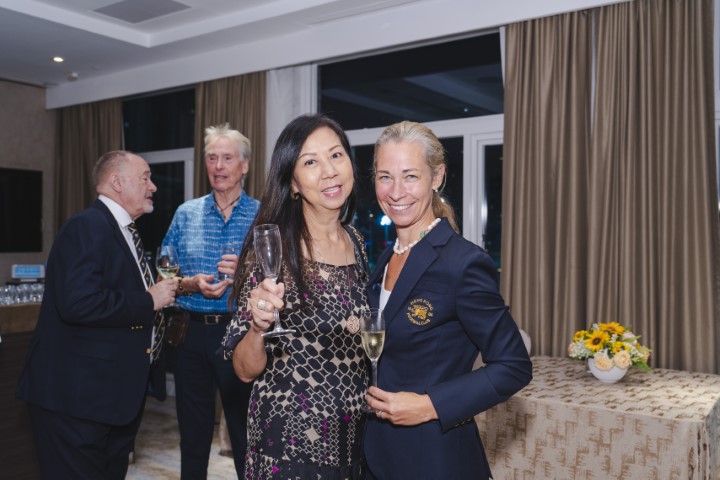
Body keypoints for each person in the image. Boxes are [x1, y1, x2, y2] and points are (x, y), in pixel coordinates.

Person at [364, 121, 533, 480]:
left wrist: (430, 405)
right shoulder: (386, 258)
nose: (396, 192)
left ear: (436, 177)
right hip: (378, 456)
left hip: (434, 459)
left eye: (410, 176)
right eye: (385, 177)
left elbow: (514, 366)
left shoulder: (462, 263)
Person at [221, 113, 370, 479]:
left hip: (353, 439)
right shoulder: (274, 253)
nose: (329, 171)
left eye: (336, 155)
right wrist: (258, 327)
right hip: (290, 446)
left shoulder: (357, 242)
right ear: (293, 184)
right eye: (310, 162)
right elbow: (243, 370)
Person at [16, 150, 178, 479]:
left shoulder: (125, 231)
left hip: (110, 400)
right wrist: (149, 300)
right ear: (117, 182)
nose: (153, 187)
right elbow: (78, 303)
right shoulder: (86, 226)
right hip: (76, 401)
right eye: (145, 178)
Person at [161, 123, 259, 478]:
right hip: (192, 335)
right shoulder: (185, 213)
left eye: (227, 158)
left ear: (244, 165)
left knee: (245, 435)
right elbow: (165, 270)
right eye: (212, 158)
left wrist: (246, 273)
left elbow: (280, 276)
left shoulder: (263, 216)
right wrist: (189, 283)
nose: (218, 166)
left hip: (242, 334)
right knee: (193, 435)